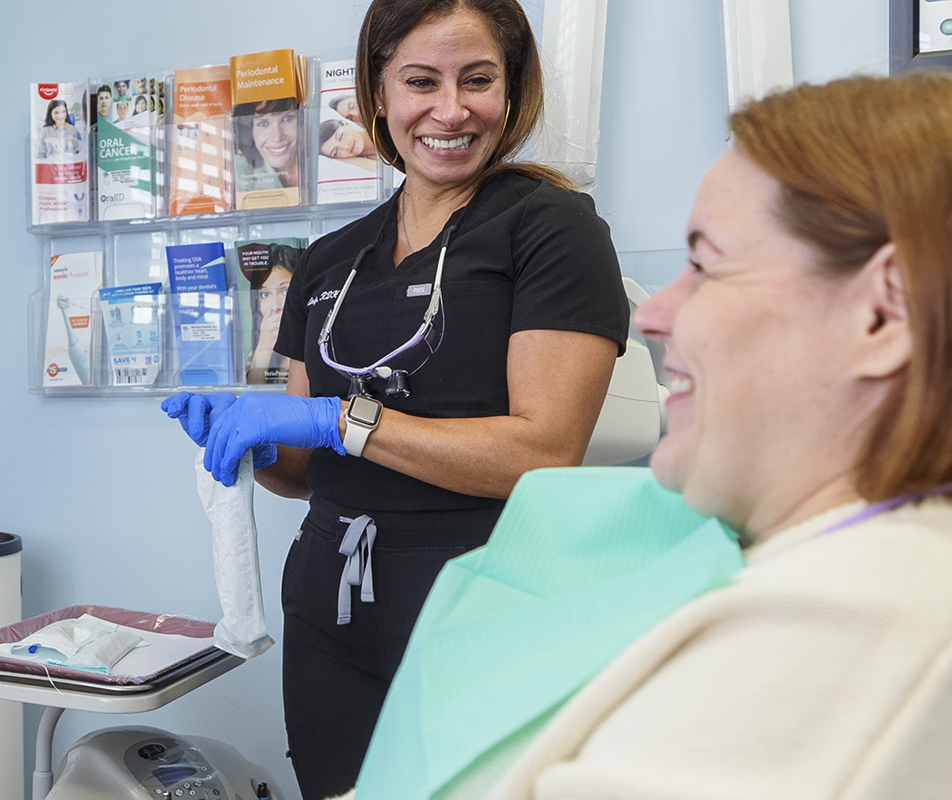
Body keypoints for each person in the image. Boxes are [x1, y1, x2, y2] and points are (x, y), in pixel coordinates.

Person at [435, 72, 952, 800]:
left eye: (705, 265)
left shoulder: (868, 636)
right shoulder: (929, 580)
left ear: (884, 315)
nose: (652, 316)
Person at [161, 1, 627, 796]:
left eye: (478, 80)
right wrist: (258, 440)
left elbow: (542, 452)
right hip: (329, 612)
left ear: (511, 92)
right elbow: (307, 471)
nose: (451, 110)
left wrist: (340, 419)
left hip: (479, 605)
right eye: (421, 81)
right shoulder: (329, 260)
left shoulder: (549, 229)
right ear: (376, 96)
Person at [236, 97, 308, 192]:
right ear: (251, 131)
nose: (277, 137)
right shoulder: (241, 176)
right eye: (263, 123)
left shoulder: (321, 160)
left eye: (287, 118)